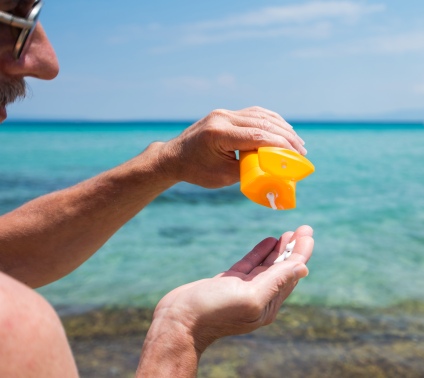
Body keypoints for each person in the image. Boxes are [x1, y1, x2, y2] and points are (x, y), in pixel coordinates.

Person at [0, 1, 314, 377]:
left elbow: (8, 259)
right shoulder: (15, 329)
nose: (48, 63)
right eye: (16, 19)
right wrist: (182, 333)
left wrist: (167, 161)